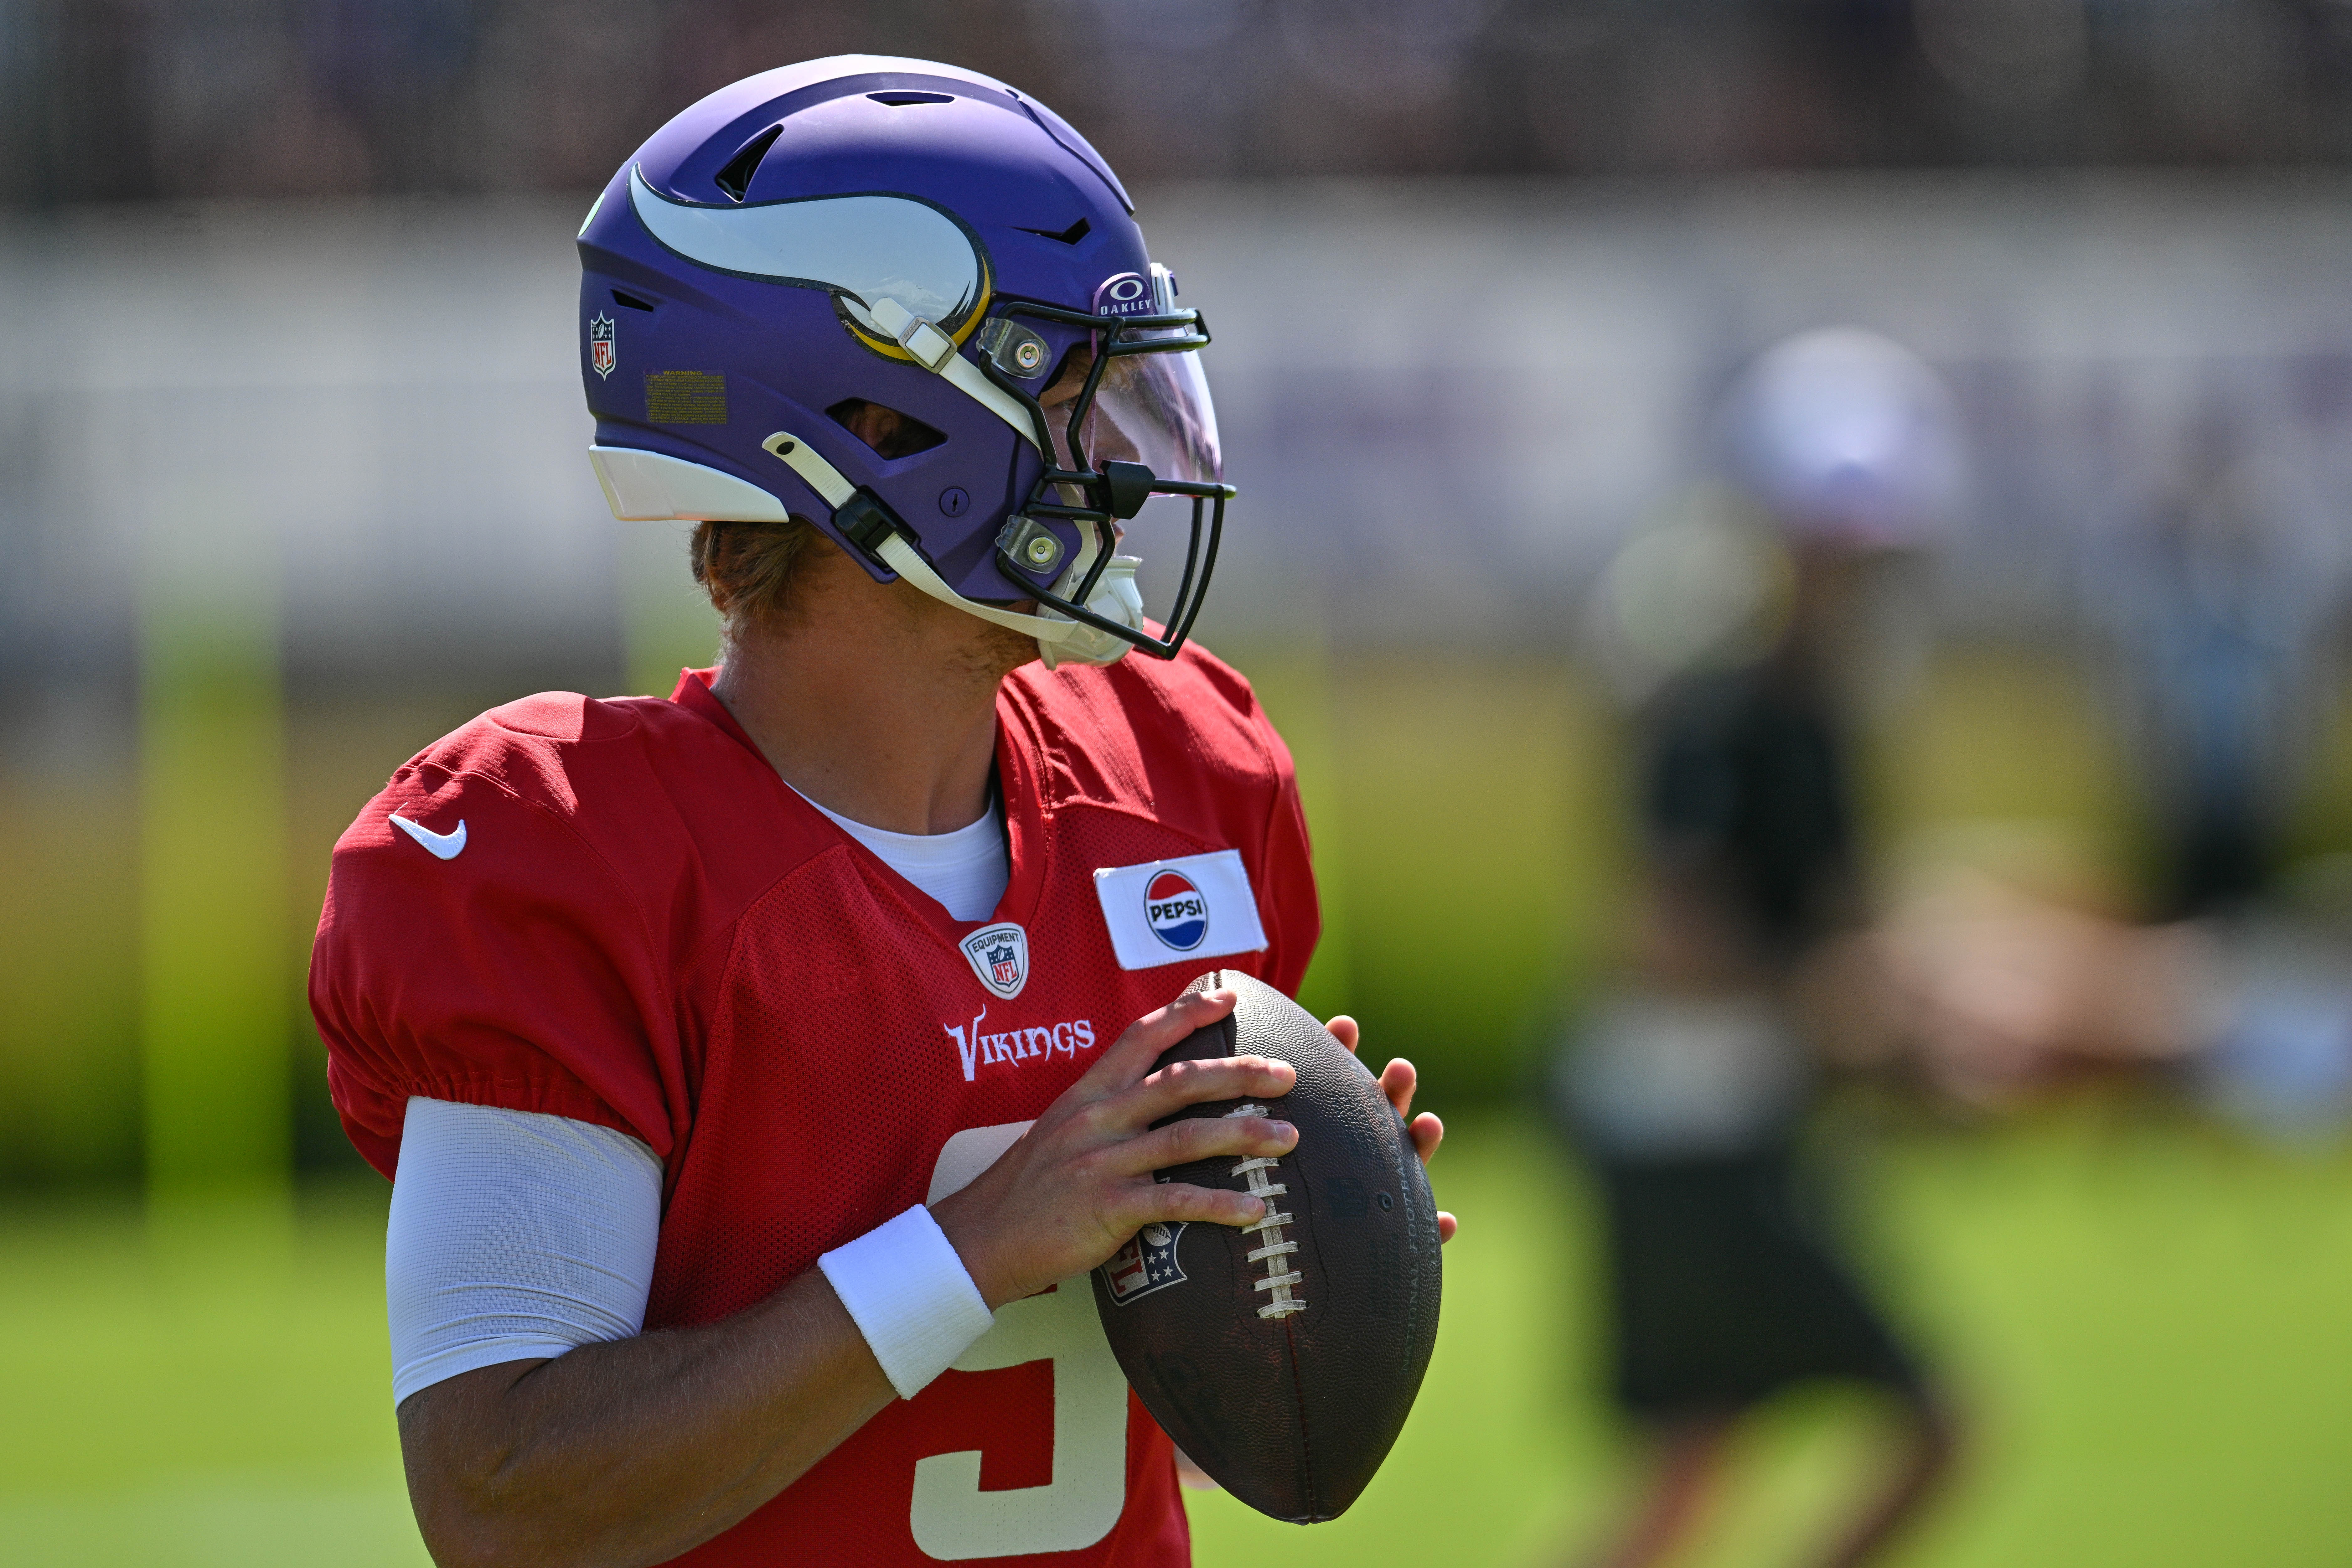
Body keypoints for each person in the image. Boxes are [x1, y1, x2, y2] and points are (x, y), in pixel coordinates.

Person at [308, 57, 1450, 1568]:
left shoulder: (1187, 776)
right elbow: (505, 1495)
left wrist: (1291, 1246)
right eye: (1063, 390)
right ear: (881, 426)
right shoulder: (563, 849)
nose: (1111, 465)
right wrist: (977, 1250)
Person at [1565, 329, 1959, 1568]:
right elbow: (1656, 933)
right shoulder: (1716, 705)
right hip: (1687, 1129)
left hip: (1731, 1122)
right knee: (1935, 1427)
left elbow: (1845, 919)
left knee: (1689, 1472)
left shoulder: (1821, 711)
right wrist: (1829, 998)